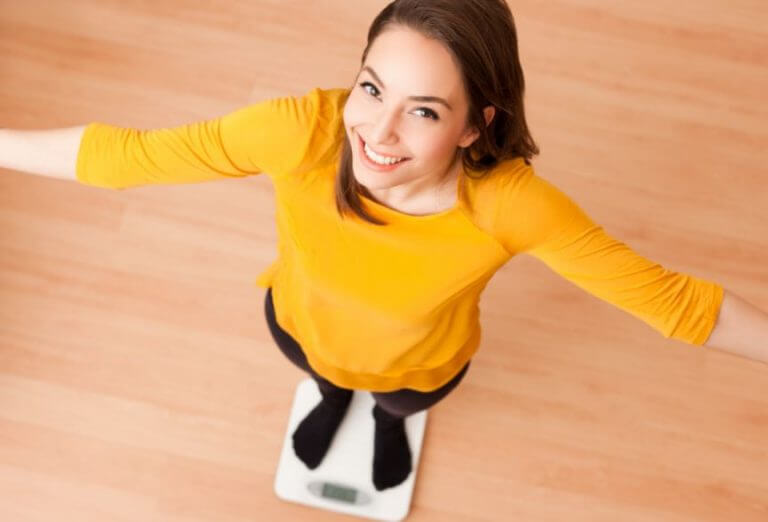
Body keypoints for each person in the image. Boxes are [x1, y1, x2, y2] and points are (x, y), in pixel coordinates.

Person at [3, 0, 742, 493]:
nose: (377, 133)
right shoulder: (302, 132)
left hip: (418, 369)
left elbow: (677, 304)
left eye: (424, 111)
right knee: (323, 380)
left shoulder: (511, 206)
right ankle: (330, 400)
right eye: (371, 88)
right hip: (299, 326)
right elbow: (126, 157)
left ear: (475, 125)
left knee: (395, 407)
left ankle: (391, 427)